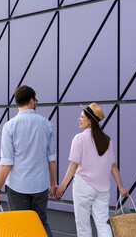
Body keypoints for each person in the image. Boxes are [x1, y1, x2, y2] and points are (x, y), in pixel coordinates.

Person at [0, 85, 57, 237]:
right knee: (41, 224)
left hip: (18, 187)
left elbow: (7, 163)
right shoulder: (47, 124)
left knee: (19, 227)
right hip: (40, 185)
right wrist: (53, 184)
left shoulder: (9, 126)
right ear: (32, 101)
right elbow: (51, 159)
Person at [55, 102, 129, 237]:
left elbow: (73, 165)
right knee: (102, 223)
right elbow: (113, 166)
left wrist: (62, 187)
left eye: (82, 117)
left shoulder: (79, 138)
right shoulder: (107, 140)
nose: (79, 119)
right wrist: (121, 187)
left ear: (90, 122)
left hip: (83, 186)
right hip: (103, 189)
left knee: (83, 225)